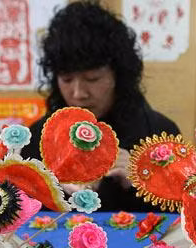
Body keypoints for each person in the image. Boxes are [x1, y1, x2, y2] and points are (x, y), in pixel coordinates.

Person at [22, 1, 180, 211]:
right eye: (67, 79)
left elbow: (184, 216)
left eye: (93, 79)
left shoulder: (159, 134)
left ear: (119, 75)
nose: (78, 93)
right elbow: (14, 220)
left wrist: (143, 182)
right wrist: (48, 189)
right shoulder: (36, 138)